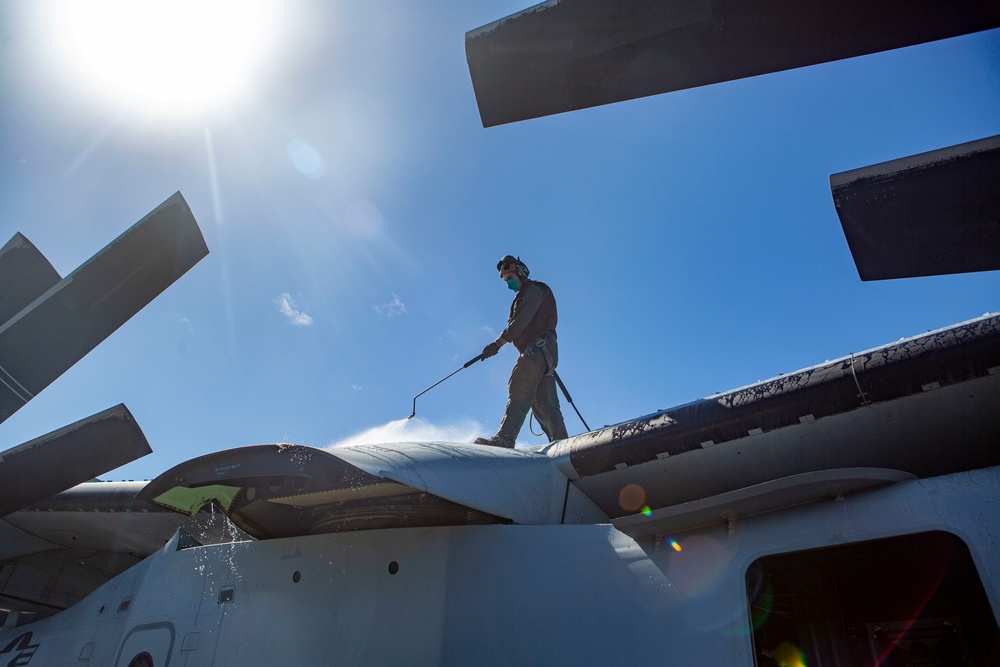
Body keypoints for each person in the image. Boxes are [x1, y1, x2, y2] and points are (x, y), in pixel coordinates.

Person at [474, 255, 569, 448]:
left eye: (510, 277)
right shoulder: (524, 295)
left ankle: (505, 438)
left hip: (539, 348)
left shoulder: (534, 291)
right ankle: (561, 444)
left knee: (520, 386)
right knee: (544, 402)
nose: (508, 282)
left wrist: (498, 343)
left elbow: (521, 321)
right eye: (505, 279)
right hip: (544, 353)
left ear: (521, 272)